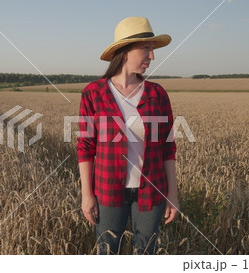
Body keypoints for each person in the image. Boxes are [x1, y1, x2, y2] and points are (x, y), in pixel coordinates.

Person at [77, 17, 179, 255]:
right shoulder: (94, 93)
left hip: (151, 191)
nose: (152, 56)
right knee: (108, 251)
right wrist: (86, 194)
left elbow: (168, 147)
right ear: (124, 51)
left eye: (152, 50)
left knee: (146, 253)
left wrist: (172, 194)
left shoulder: (157, 94)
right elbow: (85, 146)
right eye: (146, 49)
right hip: (108, 189)